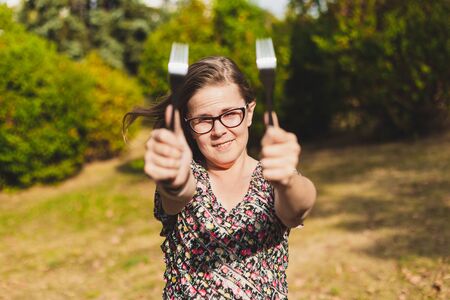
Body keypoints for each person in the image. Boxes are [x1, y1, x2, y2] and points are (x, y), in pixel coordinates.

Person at [123, 56, 316, 299]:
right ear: (189, 126)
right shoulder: (189, 175)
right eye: (204, 119)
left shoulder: (273, 177)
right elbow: (177, 193)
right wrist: (173, 175)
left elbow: (297, 207)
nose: (219, 130)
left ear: (249, 113)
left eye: (230, 114)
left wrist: (287, 179)